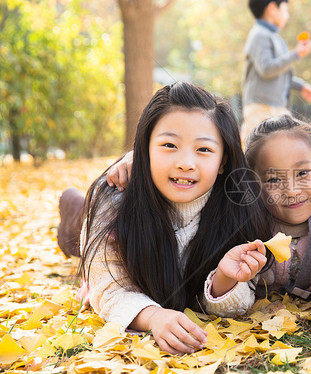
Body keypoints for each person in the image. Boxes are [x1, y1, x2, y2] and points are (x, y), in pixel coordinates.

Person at [97, 114, 311, 302]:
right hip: (105, 229)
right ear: (252, 183)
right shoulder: (242, 219)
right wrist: (134, 161)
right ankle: (75, 213)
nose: (291, 190)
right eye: (273, 180)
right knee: (79, 235)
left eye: (303, 174)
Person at [77, 82, 273, 355]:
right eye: (169, 145)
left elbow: (239, 303)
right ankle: (72, 208)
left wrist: (225, 279)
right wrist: (153, 316)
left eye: (203, 150)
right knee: (79, 234)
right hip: (101, 231)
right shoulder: (113, 202)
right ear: (144, 148)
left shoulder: (238, 208)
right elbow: (108, 288)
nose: (186, 163)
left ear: (223, 161)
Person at [241, 0, 311, 143]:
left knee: (285, 148)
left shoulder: (275, 38)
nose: (287, 15)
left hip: (278, 107)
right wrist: (296, 54)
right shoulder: (259, 34)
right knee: (253, 152)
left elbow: (280, 73)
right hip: (260, 107)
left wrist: (301, 86)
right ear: (272, 8)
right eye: (285, 10)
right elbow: (267, 69)